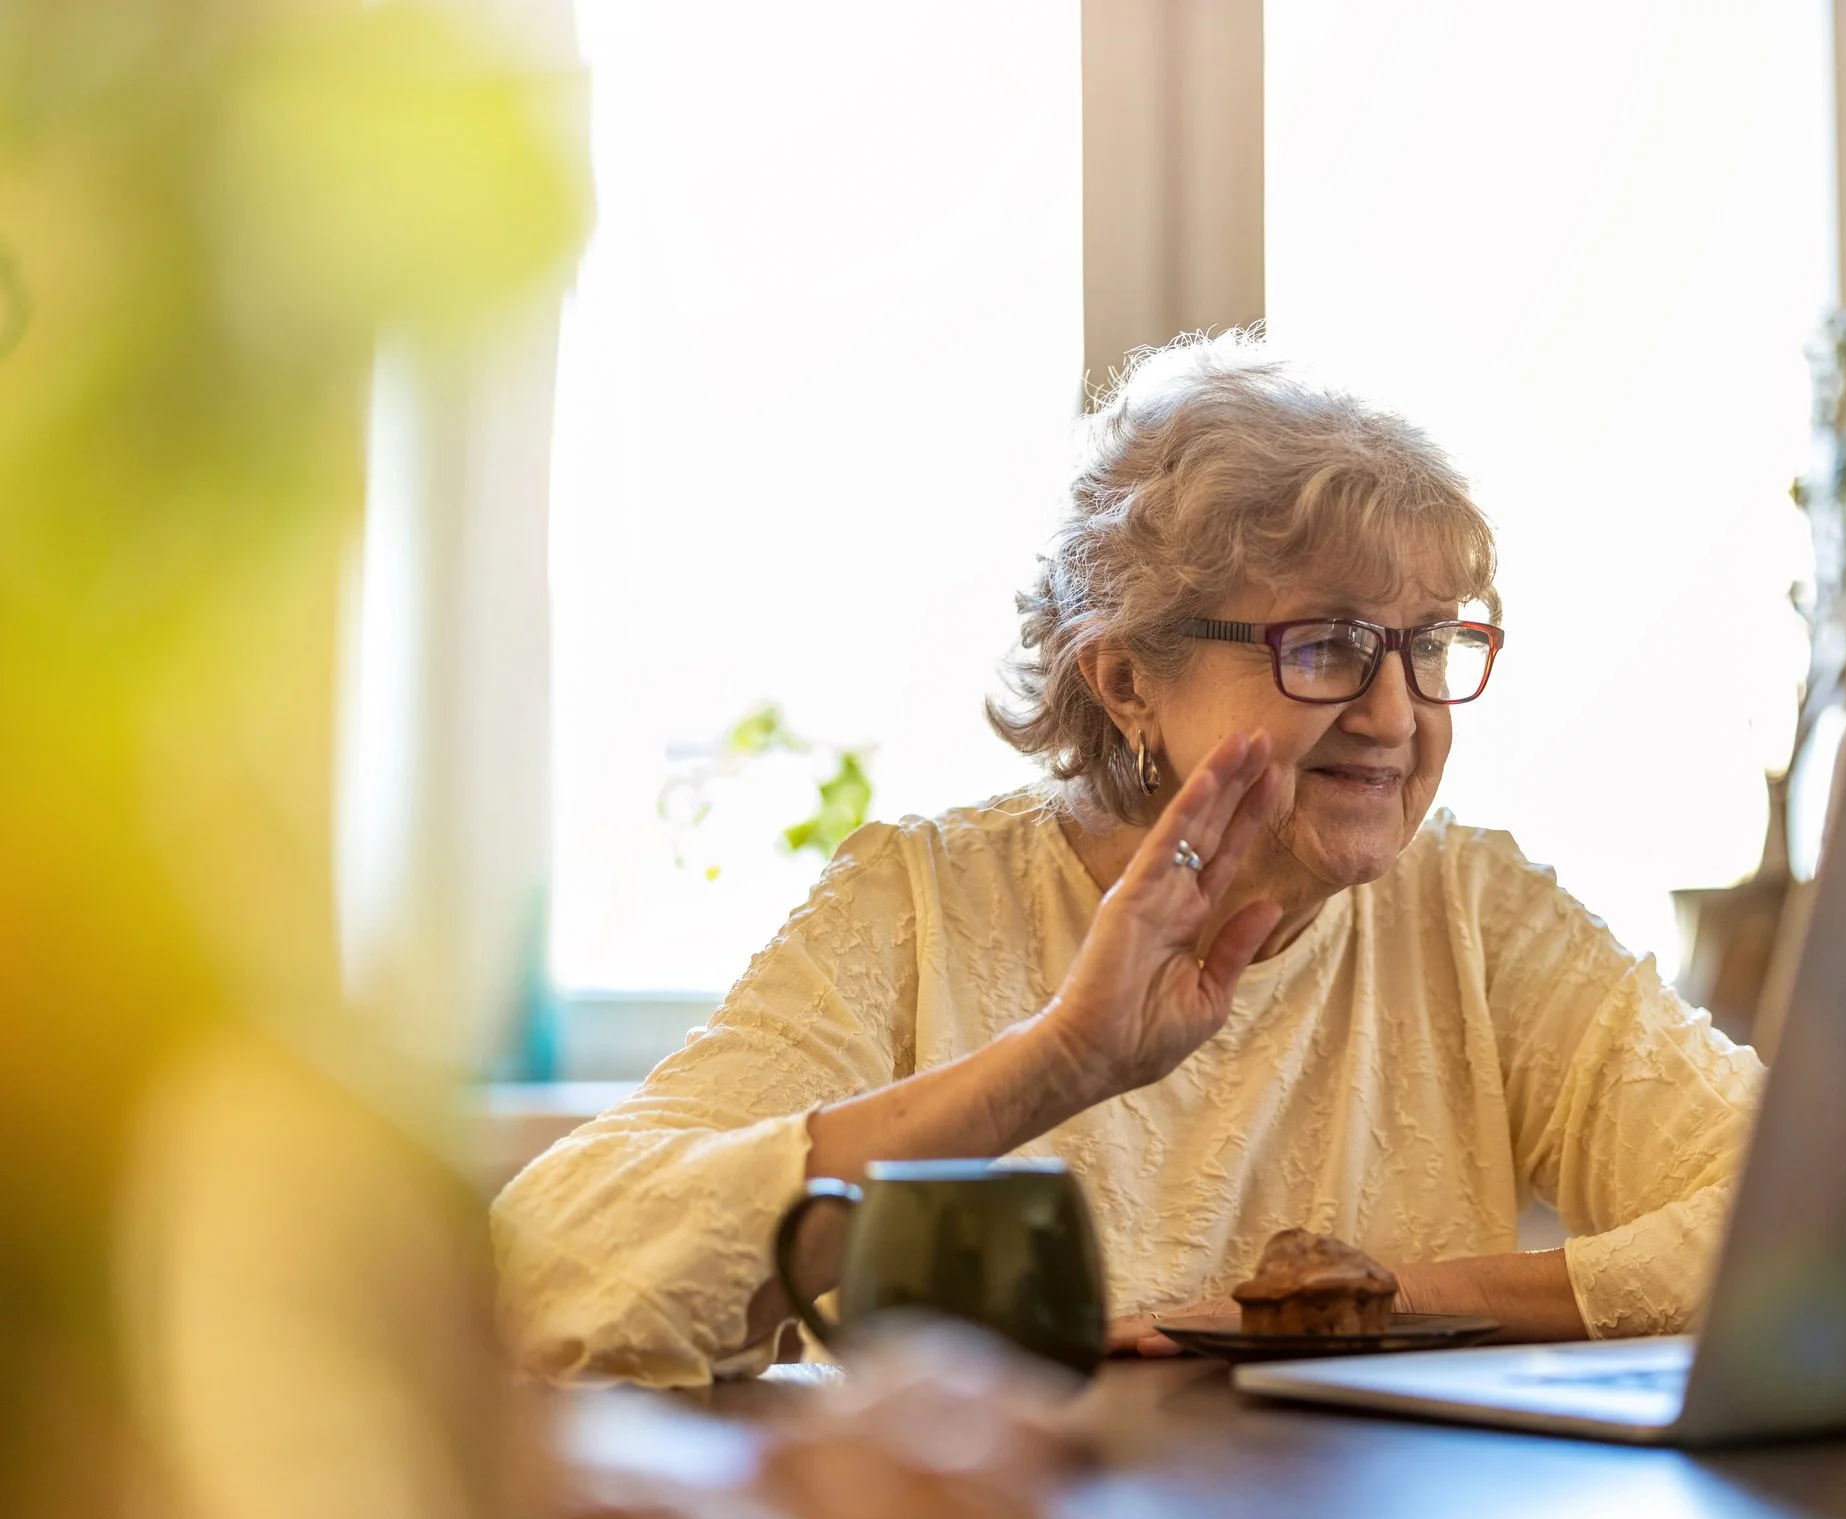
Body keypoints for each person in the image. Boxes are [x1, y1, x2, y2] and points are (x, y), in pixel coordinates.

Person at [493, 331, 1763, 1385]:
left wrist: (1352, 1307)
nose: (1392, 714)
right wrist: (1063, 1056)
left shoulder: (1474, 912)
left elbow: (1807, 1219)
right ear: (1124, 678)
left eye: (1426, 643)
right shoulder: (922, 903)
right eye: (1324, 645)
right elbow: (554, 1268)